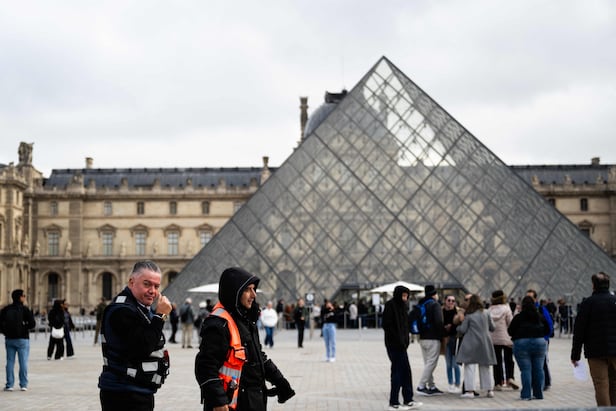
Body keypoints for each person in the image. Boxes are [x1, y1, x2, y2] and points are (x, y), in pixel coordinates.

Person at [195, 267, 295, 410]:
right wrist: (218, 400)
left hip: (252, 399)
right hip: (231, 403)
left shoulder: (246, 319)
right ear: (234, 292)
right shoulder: (218, 323)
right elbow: (205, 366)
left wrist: (279, 381)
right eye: (248, 289)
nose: (254, 294)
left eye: (254, 289)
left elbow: (258, 357)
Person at [98, 260, 172, 411]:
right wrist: (160, 316)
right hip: (123, 393)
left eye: (156, 286)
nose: (152, 291)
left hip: (137, 389)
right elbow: (143, 347)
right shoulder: (121, 311)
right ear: (131, 282)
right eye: (147, 284)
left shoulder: (139, 308)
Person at [571, 271, 616, 406]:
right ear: (608, 284)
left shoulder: (587, 303)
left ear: (593, 285)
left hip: (595, 352)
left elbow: (579, 331)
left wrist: (575, 354)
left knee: (600, 384)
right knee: (614, 383)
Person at [382, 285, 423, 410]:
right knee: (397, 372)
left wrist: (405, 341)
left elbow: (405, 325)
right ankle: (394, 402)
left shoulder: (403, 307)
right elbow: (387, 325)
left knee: (406, 372)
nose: (405, 298)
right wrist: (398, 339)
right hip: (394, 345)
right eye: (403, 295)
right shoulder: (390, 305)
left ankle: (408, 399)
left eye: (406, 296)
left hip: (402, 346)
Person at [508, 295, 549, 401]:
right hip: (539, 342)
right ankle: (538, 393)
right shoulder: (539, 316)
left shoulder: (518, 317)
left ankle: (526, 394)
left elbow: (510, 331)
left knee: (526, 369)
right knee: (539, 369)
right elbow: (548, 329)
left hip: (521, 343)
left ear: (522, 305)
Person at [456, 294, 497, 399]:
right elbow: (493, 327)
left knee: (469, 367)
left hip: (471, 343)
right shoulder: (486, 313)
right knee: (485, 367)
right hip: (485, 343)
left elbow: (463, 329)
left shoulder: (469, 315)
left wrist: (457, 327)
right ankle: (489, 390)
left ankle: (470, 391)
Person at [0, 289, 36, 391]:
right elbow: (32, 324)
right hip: (22, 339)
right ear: (20, 297)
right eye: (23, 296)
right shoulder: (25, 309)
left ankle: (10, 384)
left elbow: (0, 324)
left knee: (10, 362)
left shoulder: (6, 309)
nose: (25, 297)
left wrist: (6, 332)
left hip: (9, 339)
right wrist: (24, 328)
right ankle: (23, 384)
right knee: (23, 362)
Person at [414, 284, 444, 396]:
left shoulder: (421, 304)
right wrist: (441, 334)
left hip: (422, 337)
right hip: (433, 337)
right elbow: (439, 322)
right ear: (434, 294)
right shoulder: (435, 305)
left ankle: (431, 386)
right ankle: (421, 386)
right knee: (431, 363)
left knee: (428, 363)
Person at [488, 290, 518, 391]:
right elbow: (511, 323)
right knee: (508, 359)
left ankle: (498, 383)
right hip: (506, 338)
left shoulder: (489, 310)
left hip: (493, 339)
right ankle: (510, 378)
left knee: (497, 361)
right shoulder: (506, 309)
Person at [526, 289, 553, 390]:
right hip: (529, 339)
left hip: (541, 339)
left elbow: (549, 324)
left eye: (530, 297)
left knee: (542, 361)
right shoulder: (525, 310)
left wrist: (545, 338)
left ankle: (545, 382)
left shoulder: (541, 309)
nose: (528, 300)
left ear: (535, 299)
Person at [442, 294, 461, 393]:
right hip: (445, 339)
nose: (451, 302)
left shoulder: (458, 311)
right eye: (449, 300)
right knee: (448, 364)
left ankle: (457, 383)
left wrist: (452, 326)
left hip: (455, 339)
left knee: (455, 364)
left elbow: (461, 325)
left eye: (453, 301)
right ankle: (450, 383)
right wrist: (444, 327)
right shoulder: (441, 311)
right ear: (445, 301)